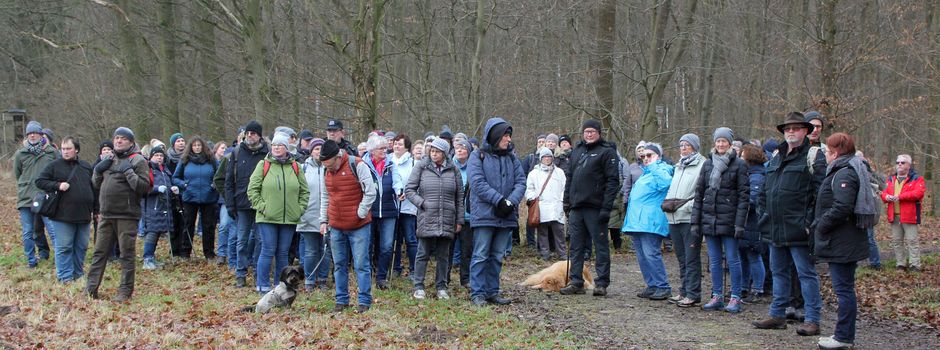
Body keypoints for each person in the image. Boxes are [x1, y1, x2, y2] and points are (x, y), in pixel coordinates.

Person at [752, 112, 826, 337]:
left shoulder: (814, 156)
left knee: (806, 274)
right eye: (787, 129)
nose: (791, 132)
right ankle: (777, 314)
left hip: (799, 228)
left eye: (795, 128)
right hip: (774, 226)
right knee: (778, 272)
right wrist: (763, 214)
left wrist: (808, 222)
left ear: (805, 131)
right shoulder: (776, 157)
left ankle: (812, 318)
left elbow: (819, 194)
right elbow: (765, 189)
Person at [809, 133, 873, 349]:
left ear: (835, 153)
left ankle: (843, 337)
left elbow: (841, 207)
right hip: (844, 241)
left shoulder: (844, 173)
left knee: (844, 290)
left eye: (827, 151)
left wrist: (821, 225)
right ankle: (842, 335)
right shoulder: (847, 169)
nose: (826, 154)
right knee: (844, 289)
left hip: (843, 242)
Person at [85, 127, 151, 301]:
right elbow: (96, 185)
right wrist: (98, 171)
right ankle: (91, 289)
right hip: (106, 214)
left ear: (131, 141)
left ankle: (125, 291)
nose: (118, 141)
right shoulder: (109, 159)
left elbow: (143, 187)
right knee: (99, 252)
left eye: (123, 138)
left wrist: (128, 171)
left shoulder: (138, 160)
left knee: (126, 254)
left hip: (127, 215)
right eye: (116, 138)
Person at [467, 117, 525, 306]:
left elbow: (520, 182)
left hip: (505, 216)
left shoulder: (512, 158)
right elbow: (477, 183)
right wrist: (499, 200)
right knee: (481, 255)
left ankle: (492, 292)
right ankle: (477, 293)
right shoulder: (478, 156)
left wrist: (510, 202)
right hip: (484, 215)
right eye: (505, 135)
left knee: (497, 256)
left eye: (509, 135)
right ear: (496, 136)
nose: (509, 139)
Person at [559, 120, 620, 297]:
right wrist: (566, 201)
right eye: (586, 131)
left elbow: (612, 182)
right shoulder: (577, 151)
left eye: (592, 131)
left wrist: (606, 208)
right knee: (576, 246)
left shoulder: (607, 152)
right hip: (577, 207)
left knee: (600, 246)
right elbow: (570, 177)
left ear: (599, 133)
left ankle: (601, 283)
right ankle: (576, 281)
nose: (589, 134)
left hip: (596, 207)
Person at [692, 127, 749, 313]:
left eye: (724, 141)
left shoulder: (739, 165)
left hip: (730, 220)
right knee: (714, 260)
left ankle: (735, 296)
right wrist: (696, 221)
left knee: (733, 260)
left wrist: (740, 223)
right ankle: (716, 295)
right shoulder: (707, 164)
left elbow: (743, 196)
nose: (721, 144)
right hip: (710, 219)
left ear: (730, 143)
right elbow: (699, 193)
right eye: (718, 141)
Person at [319, 140, 377, 313]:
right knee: (339, 264)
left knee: (361, 264)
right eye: (325, 166)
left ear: (338, 157)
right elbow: (325, 196)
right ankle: (341, 300)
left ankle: (364, 301)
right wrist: (323, 220)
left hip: (359, 226)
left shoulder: (357, 164)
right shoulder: (325, 170)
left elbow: (371, 191)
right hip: (336, 225)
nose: (329, 169)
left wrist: (360, 212)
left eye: (330, 165)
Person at [247, 133, 309, 293]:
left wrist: (299, 209)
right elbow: (252, 189)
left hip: (289, 218)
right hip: (267, 217)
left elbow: (304, 191)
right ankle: (262, 286)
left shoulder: (295, 166)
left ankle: (280, 287)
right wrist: (262, 207)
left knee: (283, 253)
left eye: (280, 145)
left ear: (286, 148)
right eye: (274, 145)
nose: (276, 147)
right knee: (267, 250)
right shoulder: (263, 165)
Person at [406, 138, 464, 300]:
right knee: (422, 252)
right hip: (427, 216)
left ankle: (441, 286)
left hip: (447, 217)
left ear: (445, 153)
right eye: (432, 151)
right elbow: (410, 190)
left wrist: (459, 220)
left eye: (437, 152)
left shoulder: (454, 170)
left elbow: (459, 197)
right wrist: (422, 203)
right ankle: (419, 285)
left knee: (443, 255)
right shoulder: (421, 167)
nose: (434, 154)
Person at [35, 136, 94, 282]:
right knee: (64, 247)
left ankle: (78, 274)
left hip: (84, 214)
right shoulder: (54, 165)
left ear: (77, 150)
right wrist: (57, 185)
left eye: (69, 148)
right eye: (63, 149)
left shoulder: (86, 166)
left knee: (81, 247)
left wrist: (97, 209)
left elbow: (94, 189)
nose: (65, 152)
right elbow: (40, 181)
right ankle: (65, 277)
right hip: (62, 215)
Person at [620, 143, 673, 300]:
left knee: (651, 254)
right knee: (642, 256)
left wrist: (654, 165)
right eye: (643, 156)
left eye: (650, 155)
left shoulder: (662, 169)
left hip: (651, 221)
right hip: (637, 222)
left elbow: (666, 183)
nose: (646, 158)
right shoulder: (645, 173)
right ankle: (652, 285)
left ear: (658, 156)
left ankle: (663, 286)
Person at [226, 121, 269, 288]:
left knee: (260, 240)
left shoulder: (267, 154)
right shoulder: (237, 153)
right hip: (242, 203)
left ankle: (259, 272)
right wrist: (230, 204)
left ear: (259, 136)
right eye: (248, 133)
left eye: (253, 133)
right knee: (242, 240)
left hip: (261, 204)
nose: (249, 136)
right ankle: (241, 273)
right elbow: (229, 181)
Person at [664, 134, 705, 308]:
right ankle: (684, 290)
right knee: (681, 257)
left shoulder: (702, 165)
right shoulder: (678, 166)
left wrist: (690, 208)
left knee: (691, 257)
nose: (683, 148)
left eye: (687, 145)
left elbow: (702, 192)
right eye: (681, 145)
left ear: (695, 146)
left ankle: (694, 293)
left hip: (689, 218)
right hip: (674, 217)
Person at [14, 121, 60, 268]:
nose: (32, 135)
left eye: (35, 133)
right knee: (28, 231)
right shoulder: (20, 154)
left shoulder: (51, 152)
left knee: (53, 230)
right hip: (26, 197)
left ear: (41, 135)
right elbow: (18, 173)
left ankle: (61, 260)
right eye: (29, 133)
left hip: (46, 197)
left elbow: (59, 171)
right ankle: (31, 261)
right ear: (27, 136)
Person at [362, 135, 403, 290]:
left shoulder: (391, 164)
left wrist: (399, 191)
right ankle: (367, 274)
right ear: (372, 150)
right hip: (369, 211)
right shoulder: (363, 164)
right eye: (381, 148)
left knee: (386, 246)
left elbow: (397, 181)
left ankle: (381, 277)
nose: (385, 151)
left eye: (386, 148)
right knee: (367, 245)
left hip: (389, 211)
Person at [172, 136, 219, 261]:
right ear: (191, 147)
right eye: (194, 145)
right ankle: (185, 252)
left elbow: (219, 175)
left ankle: (209, 253)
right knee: (188, 225)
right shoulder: (185, 160)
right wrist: (184, 185)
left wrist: (214, 185)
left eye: (199, 145)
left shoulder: (211, 160)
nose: (197, 147)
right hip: (190, 197)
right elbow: (175, 177)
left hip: (208, 197)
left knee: (208, 226)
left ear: (203, 146)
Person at [298, 138, 332, 290]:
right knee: (311, 250)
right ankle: (310, 280)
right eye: (316, 149)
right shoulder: (302, 168)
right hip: (308, 214)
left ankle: (323, 279)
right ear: (311, 151)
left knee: (325, 250)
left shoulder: (330, 168)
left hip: (328, 214)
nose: (319, 152)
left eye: (321, 149)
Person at [882, 154, 926, 271]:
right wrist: (887, 197)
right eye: (898, 162)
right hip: (894, 215)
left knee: (912, 241)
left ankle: (915, 264)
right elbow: (884, 193)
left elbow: (918, 193)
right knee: (897, 241)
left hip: (909, 215)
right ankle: (900, 263)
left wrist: (900, 197)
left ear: (909, 165)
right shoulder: (890, 179)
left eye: (902, 162)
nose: (899, 165)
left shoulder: (917, 178)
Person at [739, 143, 768, 303]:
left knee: (754, 256)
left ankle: (758, 289)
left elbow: (753, 200)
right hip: (745, 222)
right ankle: (744, 287)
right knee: (743, 255)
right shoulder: (749, 174)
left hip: (753, 223)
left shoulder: (757, 176)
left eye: (742, 155)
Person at [525, 147, 567, 261]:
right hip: (541, 207)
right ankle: (544, 254)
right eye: (544, 157)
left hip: (556, 206)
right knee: (542, 233)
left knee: (559, 231)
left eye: (549, 157)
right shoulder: (534, 173)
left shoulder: (559, 172)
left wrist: (562, 201)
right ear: (540, 158)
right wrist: (533, 198)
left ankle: (562, 254)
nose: (547, 159)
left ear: (552, 158)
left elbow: (564, 188)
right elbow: (529, 189)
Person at [140, 146, 177, 270]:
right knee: (152, 232)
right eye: (156, 155)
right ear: (151, 157)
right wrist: (157, 189)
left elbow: (168, 184)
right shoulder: (148, 170)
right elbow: (143, 188)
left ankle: (152, 257)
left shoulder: (165, 170)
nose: (159, 158)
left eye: (161, 156)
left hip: (164, 206)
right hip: (152, 206)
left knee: (158, 232)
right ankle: (147, 258)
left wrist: (172, 189)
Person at [391, 134, 419, 278]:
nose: (396, 146)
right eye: (395, 143)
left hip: (408, 206)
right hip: (392, 206)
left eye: (400, 144)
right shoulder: (389, 161)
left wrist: (406, 193)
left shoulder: (413, 163)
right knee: (395, 238)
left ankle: (414, 269)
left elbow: (416, 183)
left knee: (410, 239)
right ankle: (396, 267)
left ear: (407, 147)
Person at [856, 150, 885, 269]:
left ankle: (875, 263)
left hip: (869, 210)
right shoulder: (853, 172)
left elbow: (882, 186)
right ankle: (857, 262)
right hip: (858, 208)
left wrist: (867, 169)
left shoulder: (871, 174)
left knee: (869, 237)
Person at [452, 139, 474, 287]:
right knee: (447, 250)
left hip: (468, 216)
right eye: (457, 148)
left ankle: (466, 279)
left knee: (467, 250)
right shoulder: (449, 166)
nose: (459, 150)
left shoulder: (474, 168)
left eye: (463, 148)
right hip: (450, 215)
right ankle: (443, 280)